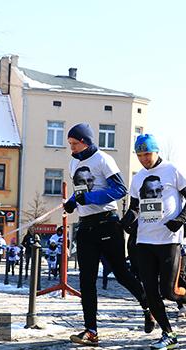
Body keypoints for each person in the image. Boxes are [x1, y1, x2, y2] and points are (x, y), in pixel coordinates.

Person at [63, 123, 152, 347]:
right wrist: (73, 203)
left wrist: (90, 200)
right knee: (86, 279)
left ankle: (148, 305)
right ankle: (91, 330)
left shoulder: (103, 159)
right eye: (70, 144)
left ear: (85, 142)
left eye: (74, 143)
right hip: (85, 227)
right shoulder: (74, 161)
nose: (71, 148)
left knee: (121, 274)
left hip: (107, 223)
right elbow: (81, 191)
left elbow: (120, 189)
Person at [121, 134, 186, 349]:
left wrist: (180, 220)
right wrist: (125, 222)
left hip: (169, 240)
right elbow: (135, 207)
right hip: (144, 240)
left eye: (147, 154)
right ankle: (168, 334)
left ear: (156, 151)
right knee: (150, 292)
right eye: (140, 155)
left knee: (169, 291)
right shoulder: (138, 177)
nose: (144, 159)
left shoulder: (171, 170)